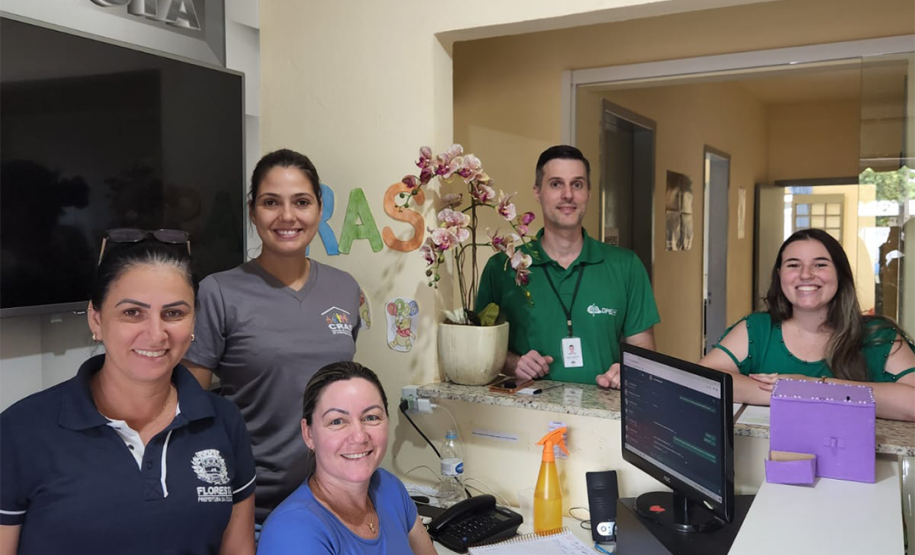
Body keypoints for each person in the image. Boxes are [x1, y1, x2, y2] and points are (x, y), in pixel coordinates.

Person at [0, 233, 256, 555]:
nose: (155, 333)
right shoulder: (20, 430)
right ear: (96, 319)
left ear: (193, 321)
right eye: (132, 312)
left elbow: (237, 550)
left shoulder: (224, 421)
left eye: (174, 313)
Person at [183, 149, 362, 525]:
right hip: (254, 509)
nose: (287, 216)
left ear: (319, 208)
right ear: (252, 212)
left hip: (336, 501)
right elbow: (190, 409)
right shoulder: (219, 292)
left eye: (301, 202)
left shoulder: (344, 288)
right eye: (270, 202)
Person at [476, 145, 660, 387]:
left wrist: (627, 370)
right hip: (525, 414)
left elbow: (644, 350)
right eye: (555, 184)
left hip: (603, 413)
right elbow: (481, 347)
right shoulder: (503, 267)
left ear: (589, 193)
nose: (568, 195)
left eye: (577, 184)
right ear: (537, 192)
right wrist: (513, 362)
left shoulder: (626, 265)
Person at [699, 228, 915, 421]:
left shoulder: (879, 336)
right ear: (780, 275)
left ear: (840, 274)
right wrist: (790, 391)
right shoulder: (757, 328)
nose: (805, 275)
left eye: (820, 265)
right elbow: (704, 380)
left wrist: (812, 387)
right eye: (793, 265)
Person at [256, 362, 436, 555]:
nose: (359, 436)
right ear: (308, 434)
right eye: (337, 421)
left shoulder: (389, 488)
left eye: (371, 417)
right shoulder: (292, 533)